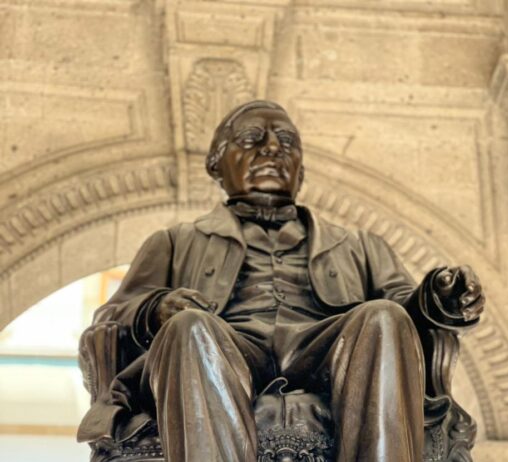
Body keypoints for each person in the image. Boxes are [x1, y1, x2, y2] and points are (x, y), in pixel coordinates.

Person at [78, 100, 485, 462]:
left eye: (287, 141)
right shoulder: (175, 241)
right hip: (227, 349)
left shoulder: (359, 245)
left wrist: (437, 298)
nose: (273, 148)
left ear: (301, 169)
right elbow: (113, 316)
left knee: (383, 316)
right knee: (189, 327)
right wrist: (156, 308)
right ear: (216, 165)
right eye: (253, 138)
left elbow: (404, 309)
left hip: (328, 349)